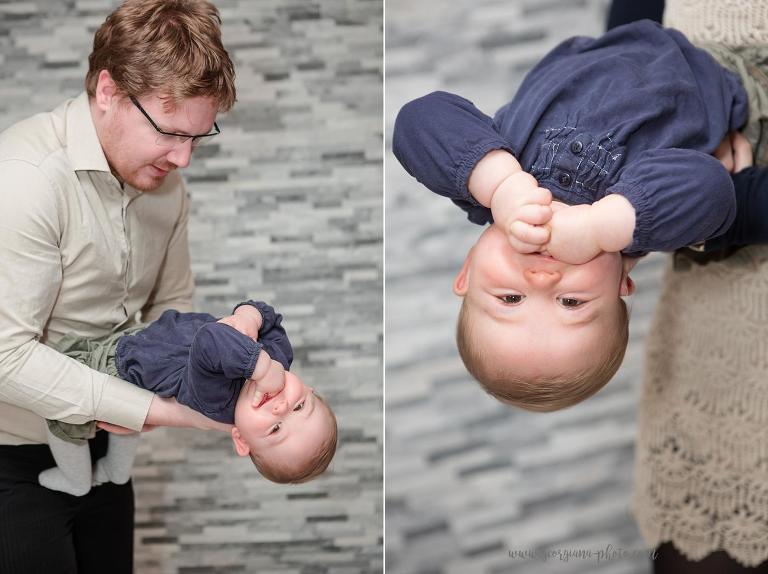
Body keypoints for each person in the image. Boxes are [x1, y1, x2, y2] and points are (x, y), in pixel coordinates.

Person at [392, 19, 768, 412]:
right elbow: (709, 186)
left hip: (613, 43)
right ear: (621, 283)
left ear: (467, 271)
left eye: (510, 297)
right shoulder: (639, 221)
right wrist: (602, 227)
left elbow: (418, 119)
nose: (542, 278)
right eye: (570, 302)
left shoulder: (484, 188)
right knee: (742, 205)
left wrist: (500, 183)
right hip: (720, 76)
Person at [0, 1, 238, 572]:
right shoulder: (25, 180)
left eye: (198, 138)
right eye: (170, 132)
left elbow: (170, 311)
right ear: (108, 89)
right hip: (11, 464)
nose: (183, 158)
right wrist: (159, 410)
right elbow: (4, 356)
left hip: (110, 455)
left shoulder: (166, 185)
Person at [39, 300, 336, 496]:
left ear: (241, 439)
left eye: (275, 428)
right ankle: (116, 472)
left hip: (119, 367)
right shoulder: (279, 359)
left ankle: (76, 480)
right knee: (128, 426)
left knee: (61, 414)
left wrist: (260, 367)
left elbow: (209, 341)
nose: (281, 406)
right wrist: (250, 316)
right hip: (154, 354)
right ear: (309, 389)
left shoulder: (219, 401)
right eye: (299, 406)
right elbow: (270, 317)